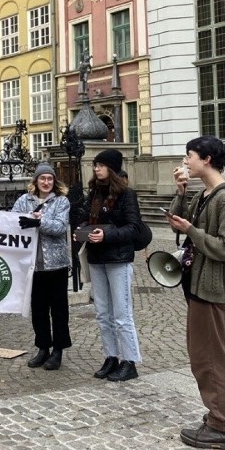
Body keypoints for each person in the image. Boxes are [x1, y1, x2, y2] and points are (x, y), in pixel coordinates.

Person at [166, 136, 225, 450]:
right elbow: (179, 226)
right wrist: (180, 192)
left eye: (189, 156)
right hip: (199, 283)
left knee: (207, 358)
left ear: (207, 159)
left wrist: (191, 231)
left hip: (212, 287)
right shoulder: (206, 194)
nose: (186, 161)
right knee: (209, 354)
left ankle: (221, 426)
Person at [76, 149, 143, 382]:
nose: (96, 168)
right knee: (103, 313)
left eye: (101, 165)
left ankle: (130, 361)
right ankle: (111, 356)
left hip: (118, 259)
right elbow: (84, 216)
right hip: (96, 258)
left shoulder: (126, 194)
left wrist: (106, 234)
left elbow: (133, 228)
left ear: (112, 168)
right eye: (95, 165)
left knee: (122, 314)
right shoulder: (94, 192)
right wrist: (82, 228)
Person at [12, 163, 72, 371]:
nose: (46, 182)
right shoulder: (24, 200)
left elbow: (60, 227)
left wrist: (40, 222)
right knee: (38, 309)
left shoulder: (61, 202)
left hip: (56, 265)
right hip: (33, 266)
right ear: (35, 181)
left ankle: (58, 350)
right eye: (42, 179)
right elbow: (12, 221)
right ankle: (43, 347)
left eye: (50, 179)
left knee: (58, 309)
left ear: (54, 182)